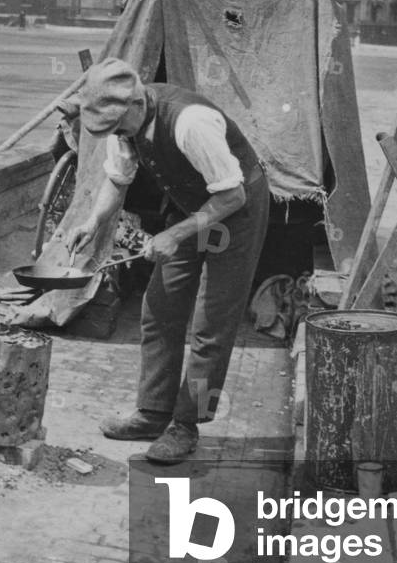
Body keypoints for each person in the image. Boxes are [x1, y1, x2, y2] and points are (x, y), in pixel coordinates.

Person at [63, 59, 270, 464]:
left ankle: (185, 425)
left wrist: (174, 235)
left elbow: (232, 197)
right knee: (160, 307)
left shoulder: (191, 123)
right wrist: (93, 221)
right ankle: (153, 411)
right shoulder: (125, 119)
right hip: (192, 204)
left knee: (212, 322)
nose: (118, 135)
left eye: (119, 127)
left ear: (138, 104)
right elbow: (117, 178)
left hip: (237, 210)